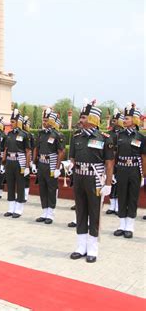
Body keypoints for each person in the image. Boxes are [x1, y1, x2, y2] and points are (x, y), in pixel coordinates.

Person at [69, 99, 114, 263]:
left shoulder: (104, 138)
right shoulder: (76, 137)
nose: (81, 120)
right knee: (80, 212)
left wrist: (108, 184)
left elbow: (109, 163)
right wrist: (68, 165)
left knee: (94, 213)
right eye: (81, 117)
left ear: (93, 119)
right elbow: (72, 158)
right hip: (79, 177)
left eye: (84, 117)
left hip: (95, 179)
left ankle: (92, 249)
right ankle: (81, 247)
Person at [113, 103, 145, 238]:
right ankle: (121, 224)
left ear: (135, 120)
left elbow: (144, 157)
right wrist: (114, 172)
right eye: (124, 118)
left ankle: (130, 226)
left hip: (134, 170)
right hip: (121, 169)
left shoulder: (141, 137)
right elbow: (115, 154)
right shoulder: (119, 135)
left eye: (127, 118)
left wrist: (144, 174)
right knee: (122, 195)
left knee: (132, 197)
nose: (124, 120)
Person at [32, 108, 65, 224]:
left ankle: (51, 213)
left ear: (51, 121)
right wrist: (33, 162)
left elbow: (61, 152)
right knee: (42, 188)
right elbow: (36, 149)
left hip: (51, 165)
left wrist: (57, 168)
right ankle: (44, 211)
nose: (44, 122)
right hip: (41, 164)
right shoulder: (41, 134)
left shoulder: (57, 135)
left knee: (51, 189)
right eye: (43, 120)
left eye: (46, 120)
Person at [2, 109, 31, 218]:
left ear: (18, 122)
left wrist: (27, 166)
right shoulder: (9, 134)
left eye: (13, 121)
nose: (11, 123)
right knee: (10, 185)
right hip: (10, 162)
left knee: (20, 185)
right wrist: (3, 161)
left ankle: (18, 209)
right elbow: (6, 149)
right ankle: (11, 208)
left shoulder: (24, 135)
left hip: (20, 162)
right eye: (11, 121)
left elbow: (28, 151)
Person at [106, 109, 124, 215]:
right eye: (113, 120)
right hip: (111, 161)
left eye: (116, 120)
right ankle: (112, 205)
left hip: (121, 162)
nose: (113, 122)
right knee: (111, 182)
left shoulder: (123, 134)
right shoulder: (109, 134)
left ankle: (118, 206)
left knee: (119, 184)